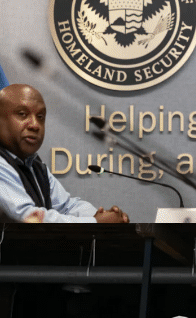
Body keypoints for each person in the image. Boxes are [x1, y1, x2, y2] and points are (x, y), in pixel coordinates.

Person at [0, 84, 129, 223]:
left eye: (40, 117)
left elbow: (67, 206)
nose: (35, 125)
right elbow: (29, 217)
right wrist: (96, 222)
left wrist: (103, 216)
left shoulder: (33, 164)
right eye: (22, 114)